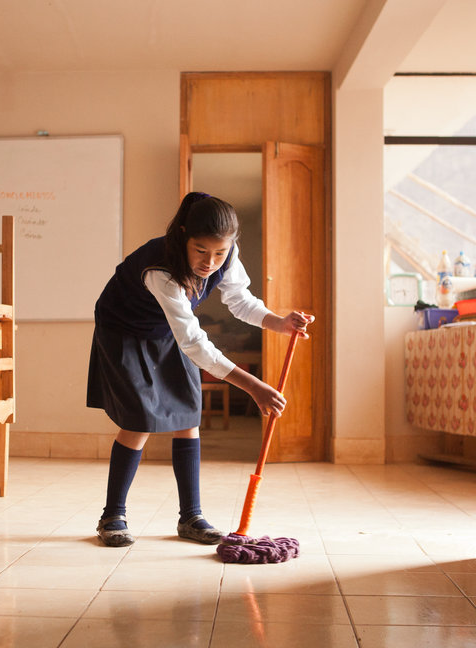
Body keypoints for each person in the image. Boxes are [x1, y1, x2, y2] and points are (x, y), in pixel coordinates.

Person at [87, 191, 314, 547]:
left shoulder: (227, 254)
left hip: (168, 331)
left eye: (220, 253)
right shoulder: (160, 268)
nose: (210, 262)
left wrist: (279, 322)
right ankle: (112, 515)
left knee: (188, 418)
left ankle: (191, 517)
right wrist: (253, 385)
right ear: (182, 236)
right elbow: (193, 341)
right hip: (125, 330)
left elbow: (240, 301)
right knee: (138, 420)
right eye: (201, 250)